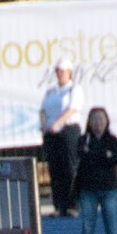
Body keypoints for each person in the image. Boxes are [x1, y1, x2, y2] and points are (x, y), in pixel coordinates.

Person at [76, 107, 117, 234]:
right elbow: (83, 155)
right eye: (95, 120)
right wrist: (104, 156)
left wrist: (95, 155)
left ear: (107, 122)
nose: (98, 123)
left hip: (109, 190)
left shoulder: (113, 140)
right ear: (89, 122)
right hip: (88, 191)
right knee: (87, 231)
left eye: (101, 119)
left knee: (112, 231)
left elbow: (116, 157)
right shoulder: (83, 140)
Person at [39, 58, 84, 217]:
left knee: (70, 167)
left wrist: (57, 123)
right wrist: (45, 126)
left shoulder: (74, 89)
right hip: (52, 134)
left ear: (69, 72)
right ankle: (59, 205)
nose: (59, 74)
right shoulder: (51, 91)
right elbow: (43, 110)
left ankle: (73, 205)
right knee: (55, 169)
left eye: (62, 71)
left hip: (68, 131)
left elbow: (72, 109)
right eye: (57, 70)